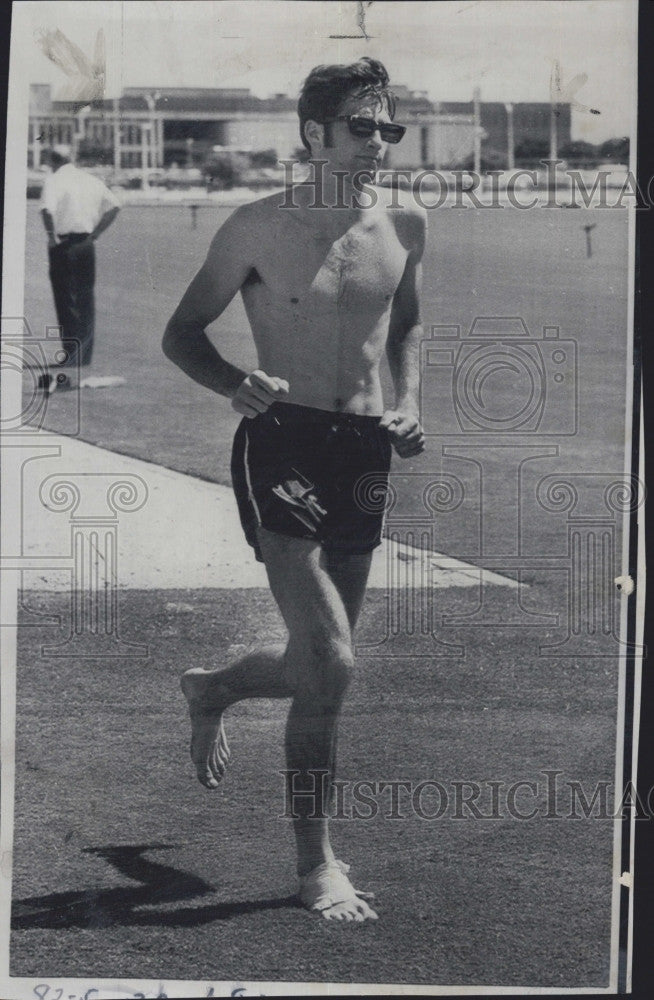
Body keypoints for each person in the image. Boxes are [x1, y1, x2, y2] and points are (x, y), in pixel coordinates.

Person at [163, 57, 426, 923]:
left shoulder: (407, 224)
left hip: (364, 451)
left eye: (389, 127)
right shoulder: (252, 228)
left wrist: (410, 401)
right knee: (334, 661)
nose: (381, 143)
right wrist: (234, 382)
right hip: (281, 445)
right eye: (363, 126)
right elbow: (183, 335)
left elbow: (405, 319)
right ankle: (317, 865)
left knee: (320, 663)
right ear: (314, 133)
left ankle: (215, 687)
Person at [39, 143, 120, 389]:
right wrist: (96, 234)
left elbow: (46, 209)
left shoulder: (54, 181)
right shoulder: (89, 180)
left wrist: (52, 236)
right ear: (70, 157)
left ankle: (71, 353)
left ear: (52, 161)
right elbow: (115, 206)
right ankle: (83, 355)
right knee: (85, 299)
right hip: (86, 243)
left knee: (66, 300)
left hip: (64, 244)